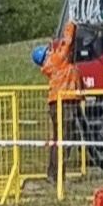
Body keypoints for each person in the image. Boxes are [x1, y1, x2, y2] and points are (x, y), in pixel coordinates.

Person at [38, 22, 82, 182]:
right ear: (46, 55)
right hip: (64, 103)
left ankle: (53, 174)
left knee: (58, 139)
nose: (52, 50)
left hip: (58, 103)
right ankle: (58, 177)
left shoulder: (52, 65)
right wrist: (71, 22)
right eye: (49, 50)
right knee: (65, 138)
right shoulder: (56, 60)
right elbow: (67, 42)